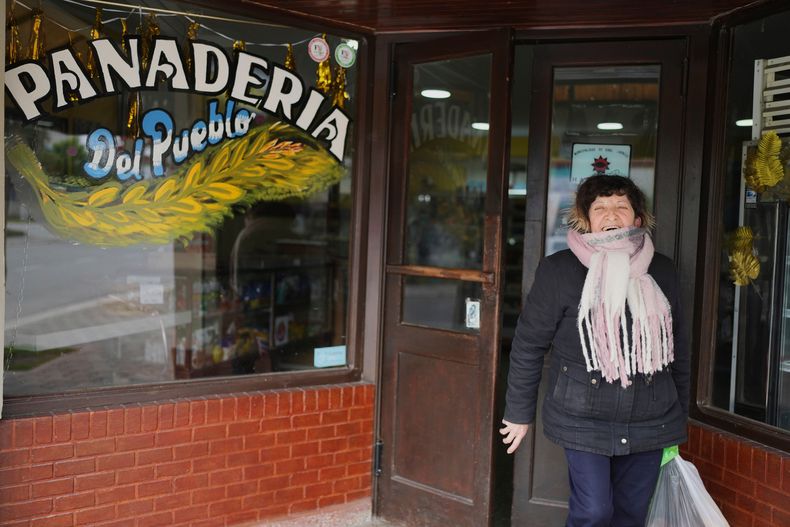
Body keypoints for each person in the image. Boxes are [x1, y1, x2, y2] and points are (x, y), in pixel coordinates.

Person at [500, 175, 689, 527]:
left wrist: (680, 416)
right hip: (581, 414)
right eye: (600, 207)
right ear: (586, 220)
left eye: (621, 205)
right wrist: (517, 413)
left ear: (637, 218)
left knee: (631, 515)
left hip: (651, 416)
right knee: (594, 512)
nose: (611, 214)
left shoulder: (661, 269)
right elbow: (528, 344)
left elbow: (678, 346)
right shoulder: (559, 270)